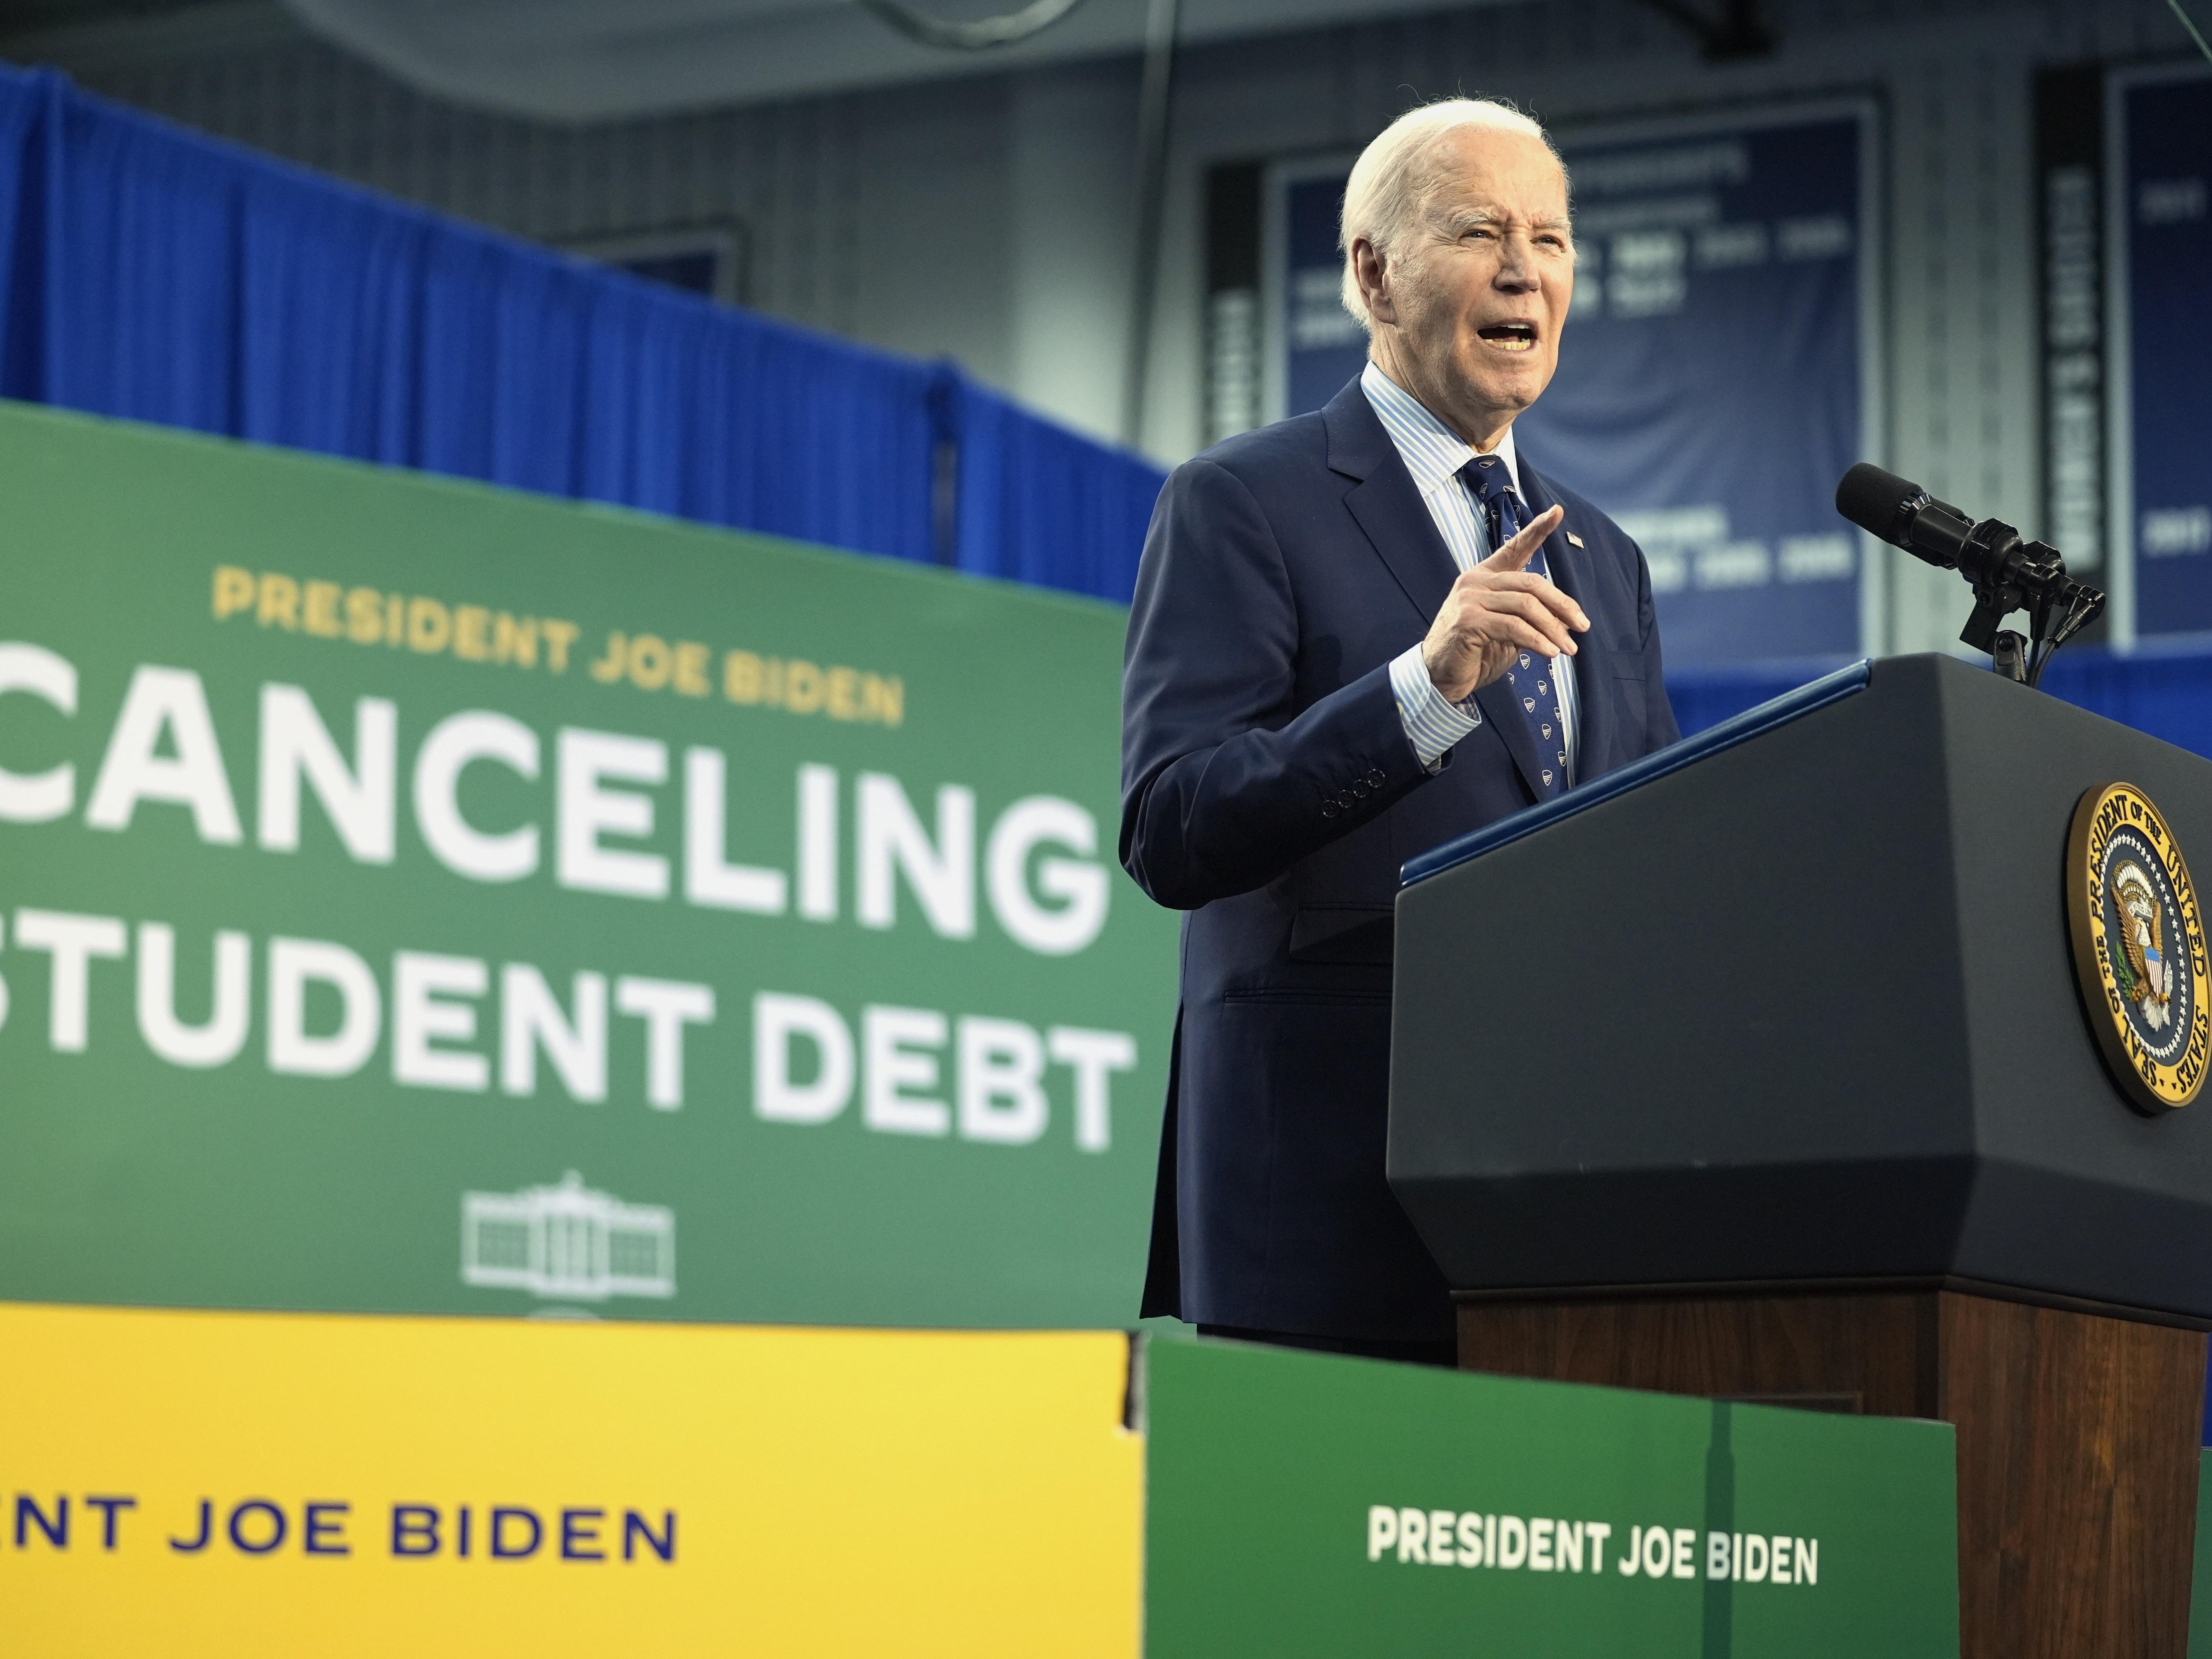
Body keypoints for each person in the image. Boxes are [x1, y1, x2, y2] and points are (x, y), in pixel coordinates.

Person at [1120, 97, 1680, 1364]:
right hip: (1327, 1213)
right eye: (1481, 231)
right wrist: (1421, 691)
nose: (1525, 269)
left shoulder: (1607, 557)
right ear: (1374, 273)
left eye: (1551, 238)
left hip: (1569, 1215)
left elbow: (1645, 854)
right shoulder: (1241, 501)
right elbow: (1173, 826)